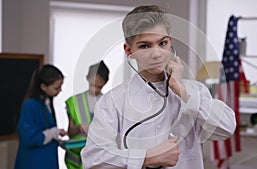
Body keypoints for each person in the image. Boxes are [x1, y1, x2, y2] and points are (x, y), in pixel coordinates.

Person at [81, 5, 236, 169]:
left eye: (162, 43)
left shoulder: (194, 91)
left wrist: (183, 92)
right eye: (145, 46)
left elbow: (227, 128)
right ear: (129, 50)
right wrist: (147, 158)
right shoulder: (112, 102)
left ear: (171, 42)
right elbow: (94, 161)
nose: (156, 54)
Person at [14, 64, 67, 169]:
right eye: (57, 87)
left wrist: (58, 139)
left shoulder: (47, 103)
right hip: (34, 162)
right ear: (43, 87)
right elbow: (29, 138)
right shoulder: (30, 105)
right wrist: (53, 132)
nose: (60, 90)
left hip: (47, 159)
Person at [64, 61, 109, 169]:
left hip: (99, 156)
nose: (95, 90)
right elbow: (70, 132)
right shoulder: (73, 102)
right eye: (93, 85)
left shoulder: (108, 102)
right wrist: (79, 128)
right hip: (76, 157)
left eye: (99, 87)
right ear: (87, 78)